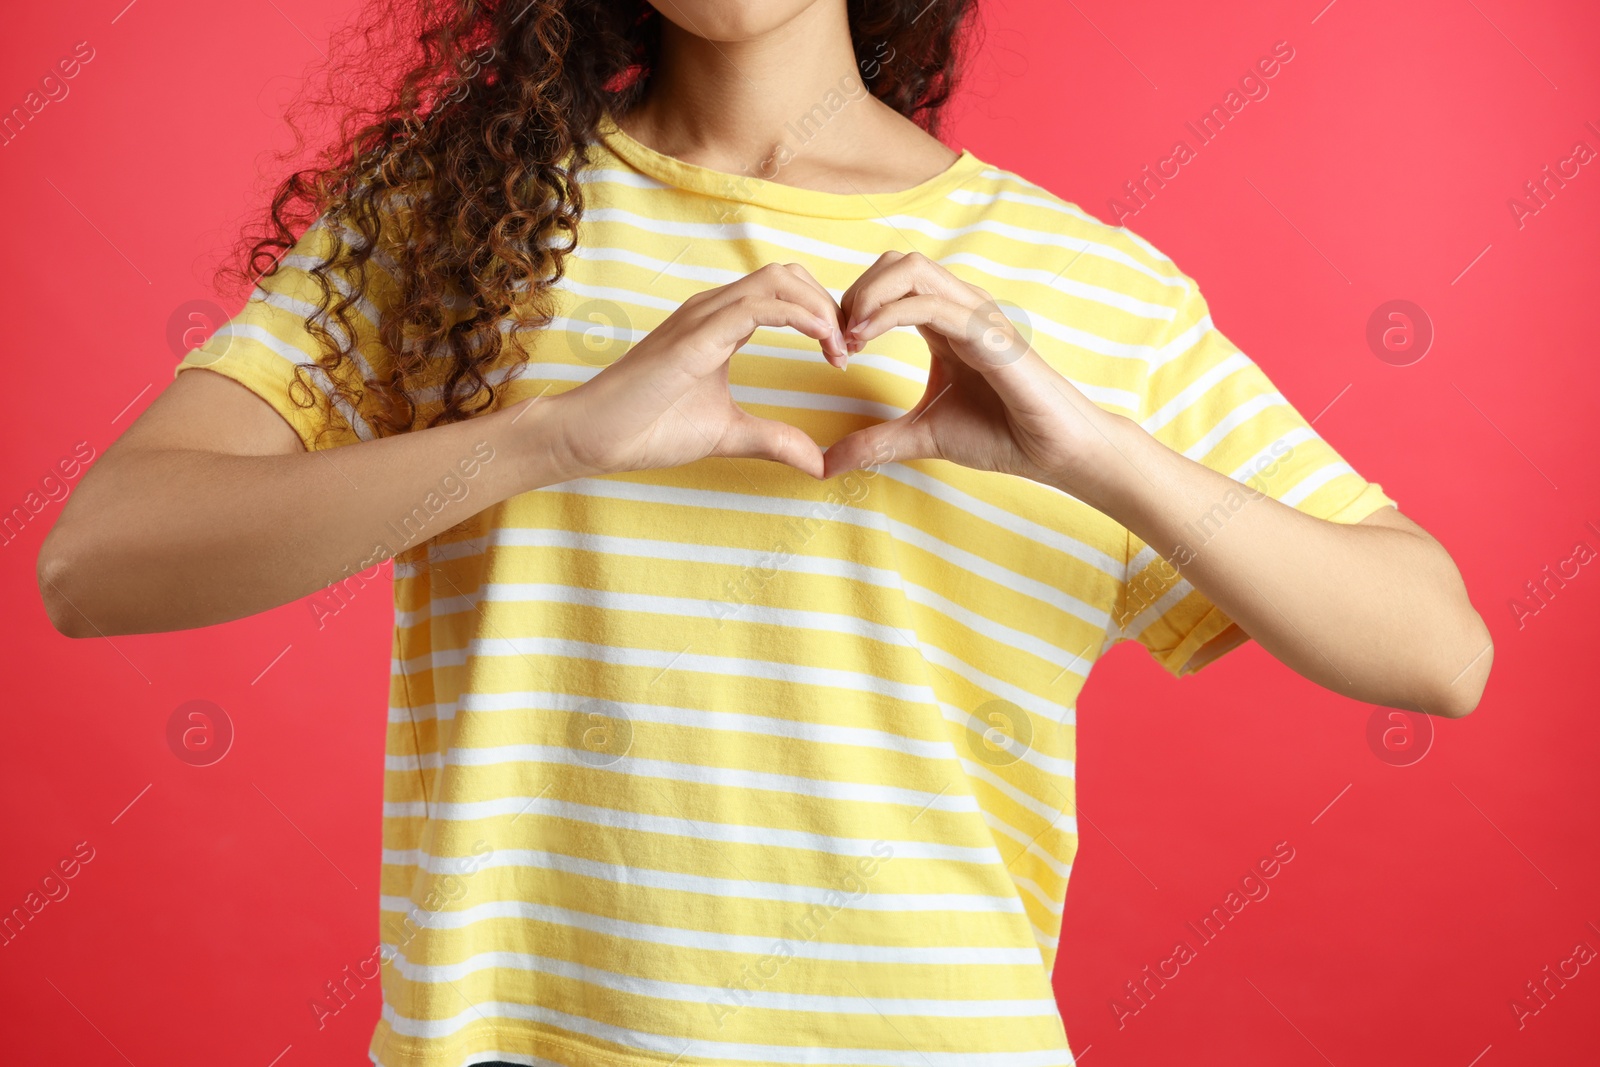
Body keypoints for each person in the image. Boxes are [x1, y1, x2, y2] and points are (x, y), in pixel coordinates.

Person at [36, 1, 1492, 1064]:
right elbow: (97, 562)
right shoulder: (449, 225)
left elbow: (1438, 650)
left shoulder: (1085, 290)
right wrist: (555, 434)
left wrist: (1097, 453)